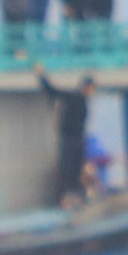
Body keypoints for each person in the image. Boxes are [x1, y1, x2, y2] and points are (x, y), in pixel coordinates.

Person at [35, 70, 94, 203]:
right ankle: (68, 196)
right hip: (70, 140)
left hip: (77, 141)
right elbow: (53, 92)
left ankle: (76, 195)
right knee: (69, 170)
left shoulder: (83, 100)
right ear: (86, 87)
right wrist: (41, 75)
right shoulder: (75, 97)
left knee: (76, 170)